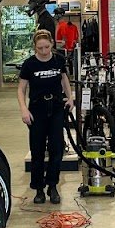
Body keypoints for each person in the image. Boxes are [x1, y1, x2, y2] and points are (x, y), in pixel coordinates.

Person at [17, 30, 74, 204]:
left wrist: (70, 97)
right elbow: (21, 89)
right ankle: (39, 188)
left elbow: (64, 80)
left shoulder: (58, 60)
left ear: (52, 45)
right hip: (37, 110)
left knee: (56, 149)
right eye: (40, 48)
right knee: (37, 150)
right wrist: (24, 109)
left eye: (47, 47)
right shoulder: (29, 64)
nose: (44, 51)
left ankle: (53, 186)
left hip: (56, 108)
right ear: (35, 47)